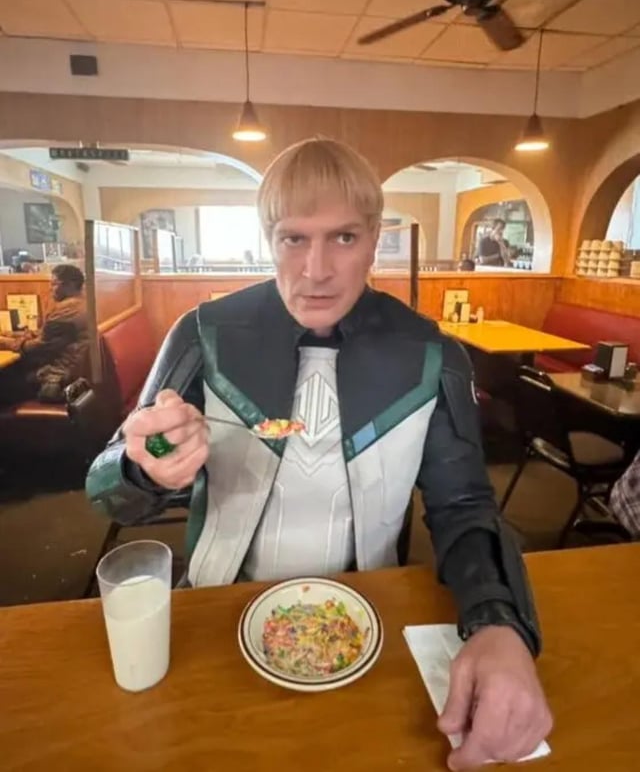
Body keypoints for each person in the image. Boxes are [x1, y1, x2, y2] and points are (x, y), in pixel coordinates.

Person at [86, 137, 552, 769]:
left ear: (375, 239)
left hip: (371, 620)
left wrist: (499, 623)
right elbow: (107, 490)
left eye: (343, 238)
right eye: (292, 239)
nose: (316, 270)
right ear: (266, 240)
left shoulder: (433, 355)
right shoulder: (202, 336)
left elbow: (465, 506)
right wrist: (145, 465)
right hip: (214, 614)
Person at [0, 263, 89, 404]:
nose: (50, 288)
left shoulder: (67, 311)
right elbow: (46, 335)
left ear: (70, 285)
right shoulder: (80, 304)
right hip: (70, 374)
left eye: (54, 284)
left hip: (56, 379)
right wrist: (10, 335)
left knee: (5, 381)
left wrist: (4, 343)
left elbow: (39, 348)